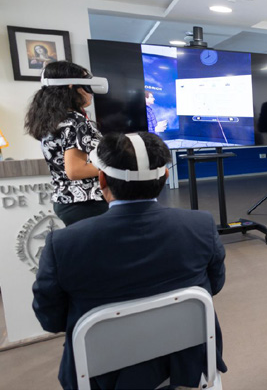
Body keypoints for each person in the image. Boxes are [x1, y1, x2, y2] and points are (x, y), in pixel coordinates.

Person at [32, 132, 228, 389]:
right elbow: (215, 285)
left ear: (102, 179)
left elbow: (51, 319)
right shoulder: (201, 226)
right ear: (165, 176)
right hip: (186, 366)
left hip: (103, 377)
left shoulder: (63, 245)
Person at [24, 61, 108, 225]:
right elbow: (75, 170)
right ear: (71, 86)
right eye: (86, 85)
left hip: (66, 200)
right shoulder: (75, 121)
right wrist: (114, 165)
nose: (91, 92)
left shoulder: (54, 119)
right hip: (86, 203)